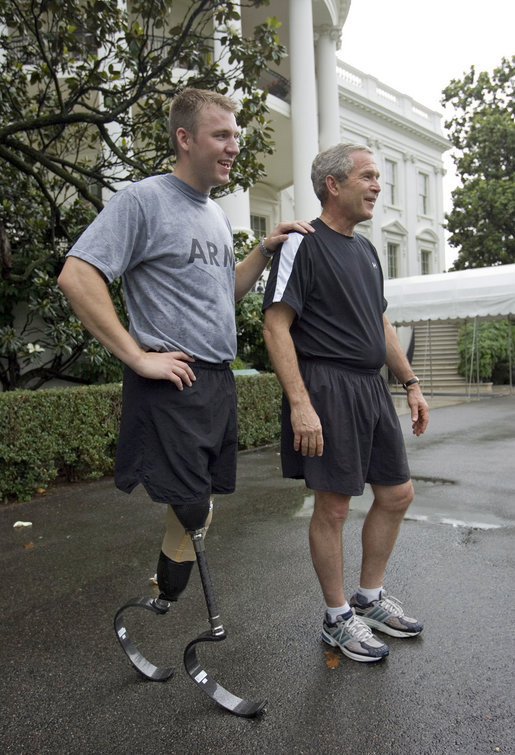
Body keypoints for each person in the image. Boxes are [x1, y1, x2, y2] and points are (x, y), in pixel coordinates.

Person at [58, 87, 313, 611]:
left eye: (235, 136)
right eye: (221, 135)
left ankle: (164, 597)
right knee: (192, 503)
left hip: (216, 381)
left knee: (203, 502)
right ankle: (172, 600)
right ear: (184, 138)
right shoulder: (143, 200)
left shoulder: (214, 214)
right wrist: (136, 355)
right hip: (172, 379)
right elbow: (77, 275)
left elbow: (224, 295)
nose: (233, 146)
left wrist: (263, 251)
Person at [262, 143, 429, 663]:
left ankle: (370, 598)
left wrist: (410, 382)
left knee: (397, 493)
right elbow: (276, 323)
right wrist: (300, 403)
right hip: (327, 386)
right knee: (333, 507)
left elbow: (379, 325)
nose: (377, 186)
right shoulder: (302, 245)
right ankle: (337, 618)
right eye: (368, 176)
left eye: (379, 177)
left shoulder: (367, 250)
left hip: (370, 386)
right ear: (333, 184)